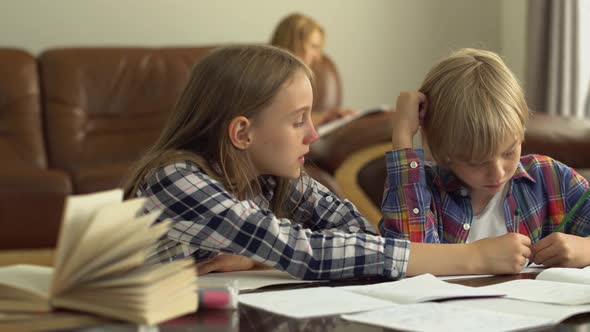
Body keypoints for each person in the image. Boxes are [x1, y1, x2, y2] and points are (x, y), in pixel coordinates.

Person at [124, 45, 529, 280]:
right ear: (242, 134)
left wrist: (256, 257)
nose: (314, 135)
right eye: (298, 120)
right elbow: (305, 251)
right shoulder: (174, 180)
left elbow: (364, 237)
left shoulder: (271, 181)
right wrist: (472, 258)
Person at [379, 48, 590, 268]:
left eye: (509, 152)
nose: (498, 172)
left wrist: (585, 249)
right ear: (445, 152)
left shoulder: (551, 179)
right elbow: (404, 260)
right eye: (476, 162)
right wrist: (403, 138)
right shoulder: (423, 190)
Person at [270, 13, 356, 127]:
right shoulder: (267, 80)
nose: (317, 57)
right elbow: (283, 121)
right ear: (293, 43)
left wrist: (327, 116)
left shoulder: (299, 80)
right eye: (313, 46)